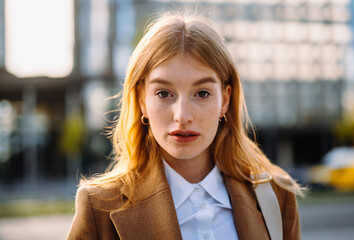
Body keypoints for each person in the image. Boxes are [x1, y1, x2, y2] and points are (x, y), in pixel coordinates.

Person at [67, 12, 303, 240]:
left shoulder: (276, 195)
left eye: (201, 93)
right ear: (142, 100)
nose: (182, 116)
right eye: (163, 93)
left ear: (225, 99)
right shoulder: (98, 208)